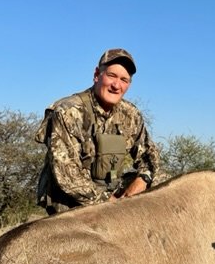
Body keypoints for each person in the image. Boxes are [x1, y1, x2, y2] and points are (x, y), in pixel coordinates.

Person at [35, 48, 160, 215]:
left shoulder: (131, 114)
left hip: (111, 196)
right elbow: (68, 178)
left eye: (124, 80)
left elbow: (150, 159)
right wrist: (112, 206)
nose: (117, 85)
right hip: (72, 203)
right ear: (96, 74)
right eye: (112, 76)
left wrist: (142, 180)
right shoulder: (68, 111)